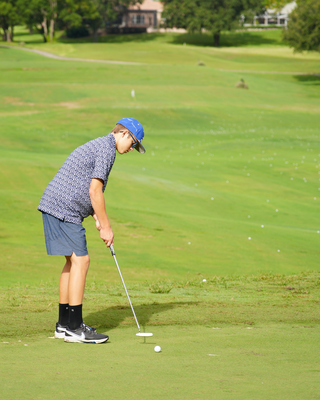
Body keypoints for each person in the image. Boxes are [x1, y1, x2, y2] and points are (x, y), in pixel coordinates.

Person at [38, 118, 145, 344]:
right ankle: (76, 328)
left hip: (54, 205)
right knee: (82, 261)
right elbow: (95, 191)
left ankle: (64, 325)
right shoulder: (107, 150)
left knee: (72, 262)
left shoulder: (101, 145)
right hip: (64, 209)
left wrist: (96, 217)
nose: (132, 149)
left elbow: (88, 190)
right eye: (134, 144)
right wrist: (106, 227)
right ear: (124, 134)